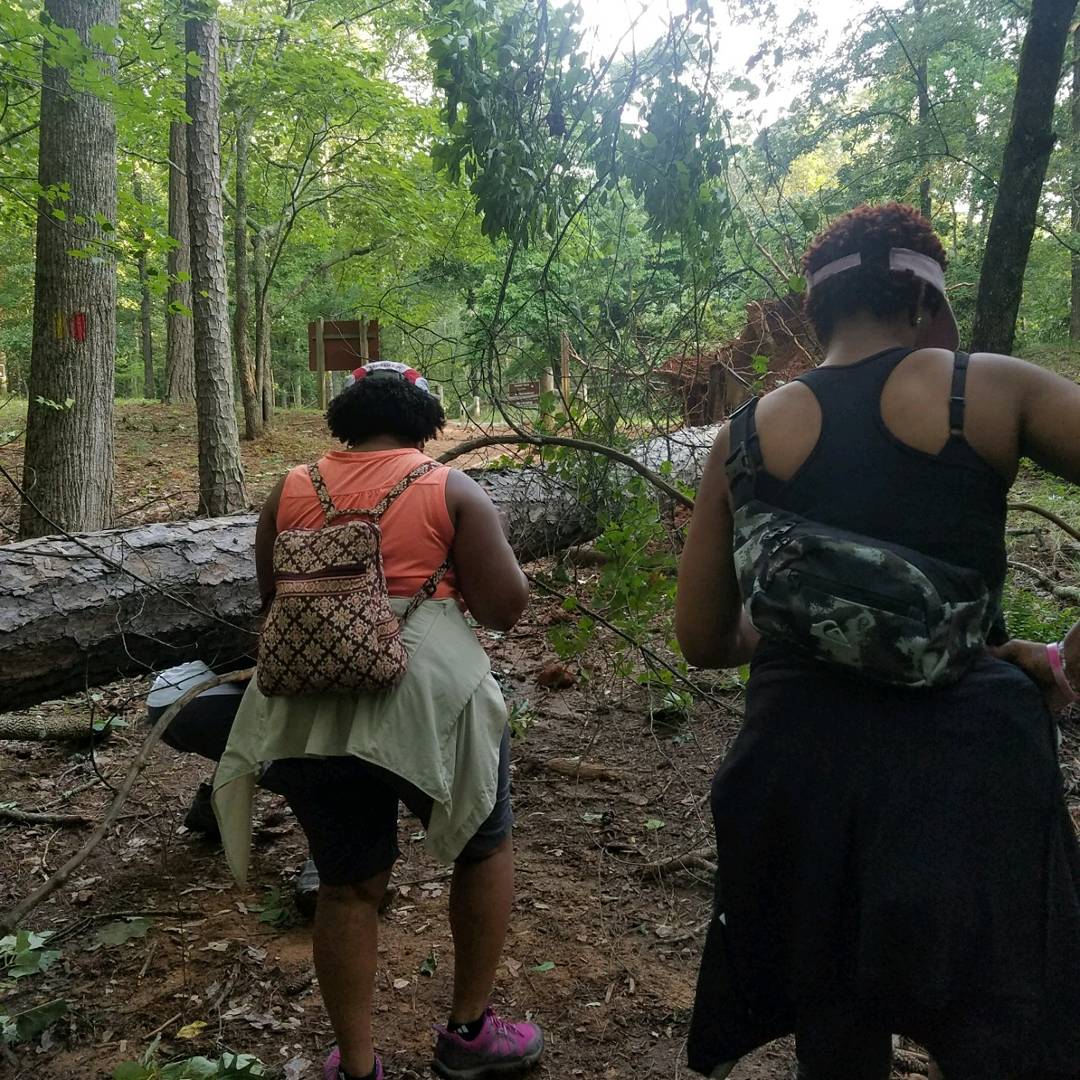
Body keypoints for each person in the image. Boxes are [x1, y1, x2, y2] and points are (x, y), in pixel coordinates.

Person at [675, 203, 1080, 1080]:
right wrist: (1068, 656)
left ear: (814, 317)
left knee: (837, 1013)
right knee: (996, 1021)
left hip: (799, 771)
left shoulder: (743, 436)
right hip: (969, 767)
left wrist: (809, 615)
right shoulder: (992, 389)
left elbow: (703, 639)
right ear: (929, 302)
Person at [212, 361, 544, 1080]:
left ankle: (357, 1066)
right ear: (426, 423)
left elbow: (273, 600)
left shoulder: (291, 488)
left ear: (345, 418)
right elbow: (506, 607)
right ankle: (468, 1034)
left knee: (346, 883)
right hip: (425, 700)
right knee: (483, 846)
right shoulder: (450, 489)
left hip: (307, 707)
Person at [145, 660, 321, 914]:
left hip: (168, 698)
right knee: (304, 755)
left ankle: (211, 812)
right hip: (199, 702)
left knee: (253, 737)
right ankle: (326, 866)